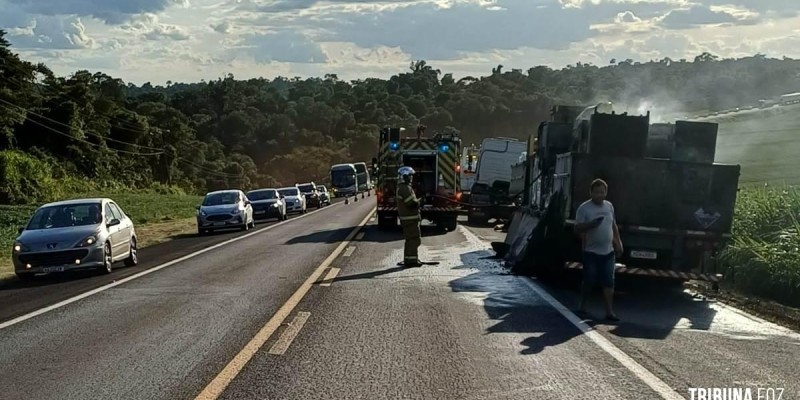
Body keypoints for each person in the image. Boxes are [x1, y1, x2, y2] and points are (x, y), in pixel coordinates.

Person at [574, 178, 623, 321]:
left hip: (608, 252)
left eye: (602, 192)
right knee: (589, 279)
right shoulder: (584, 208)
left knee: (609, 281)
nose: (599, 195)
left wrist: (618, 242)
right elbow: (577, 228)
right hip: (590, 252)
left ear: (606, 192)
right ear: (591, 192)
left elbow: (613, 225)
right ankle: (582, 305)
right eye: (596, 192)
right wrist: (590, 225)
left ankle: (609, 311)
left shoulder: (609, 206)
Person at [396, 166, 422, 267]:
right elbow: (411, 203)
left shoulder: (403, 187)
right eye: (410, 176)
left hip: (408, 219)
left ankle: (409, 259)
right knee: (414, 239)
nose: (411, 178)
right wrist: (421, 201)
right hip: (410, 220)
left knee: (410, 240)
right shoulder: (405, 188)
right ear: (405, 176)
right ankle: (411, 261)